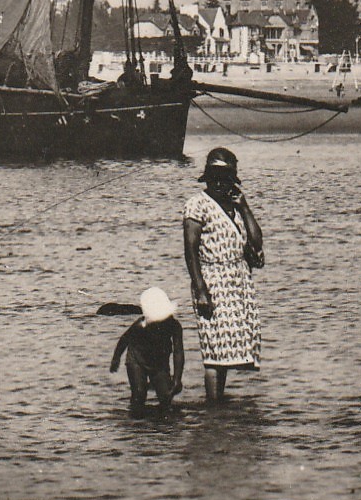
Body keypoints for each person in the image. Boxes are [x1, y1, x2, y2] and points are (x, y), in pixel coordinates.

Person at [183, 147, 263, 401]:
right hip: (212, 282)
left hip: (237, 284)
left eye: (225, 178)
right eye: (215, 178)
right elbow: (190, 250)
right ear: (207, 177)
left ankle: (219, 409)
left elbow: (257, 242)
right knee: (213, 350)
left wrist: (245, 207)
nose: (219, 183)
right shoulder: (197, 205)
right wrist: (201, 290)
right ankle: (213, 408)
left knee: (226, 352)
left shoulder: (234, 206)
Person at [110, 287, 185, 417]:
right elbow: (124, 340)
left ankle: (162, 425)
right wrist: (116, 359)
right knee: (139, 394)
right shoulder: (140, 325)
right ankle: (137, 422)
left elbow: (178, 352)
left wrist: (177, 378)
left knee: (166, 396)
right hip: (137, 360)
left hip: (159, 363)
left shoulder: (174, 326)